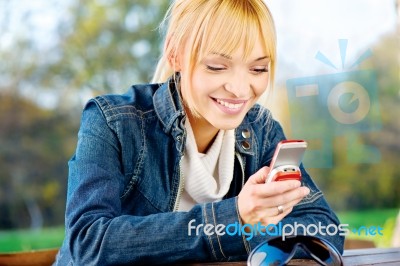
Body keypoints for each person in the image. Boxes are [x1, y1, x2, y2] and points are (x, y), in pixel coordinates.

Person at [54, 0, 344, 265]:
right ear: (175, 54)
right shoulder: (111, 121)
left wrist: (250, 227)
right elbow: (88, 242)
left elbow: (326, 229)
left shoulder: (262, 131)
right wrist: (237, 219)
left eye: (258, 69)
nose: (241, 89)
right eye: (218, 67)